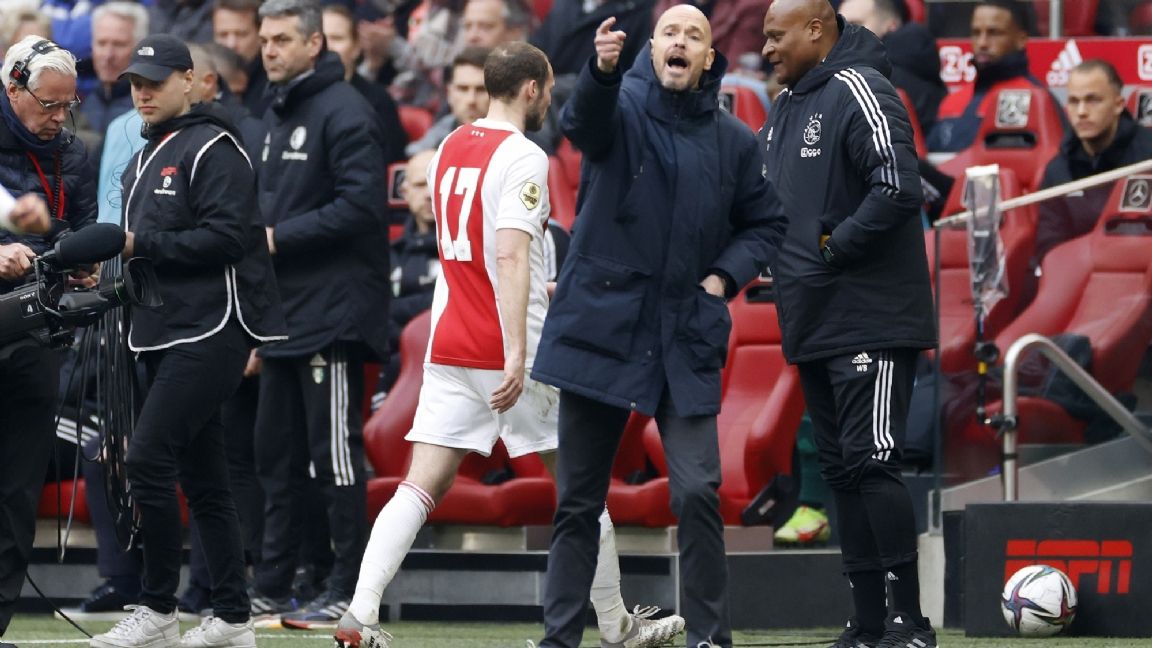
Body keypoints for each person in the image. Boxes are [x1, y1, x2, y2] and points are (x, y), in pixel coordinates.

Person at [335, 41, 684, 648]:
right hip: (507, 346)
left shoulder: (447, 145)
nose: (550, 99)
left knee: (419, 484)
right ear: (531, 88)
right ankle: (616, 625)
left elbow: (469, 248)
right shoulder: (525, 154)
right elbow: (509, 253)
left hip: (449, 339)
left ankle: (359, 615)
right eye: (548, 88)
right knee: (581, 488)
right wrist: (519, 351)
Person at [531, 6, 786, 647]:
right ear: (651, 50)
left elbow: (767, 223)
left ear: (708, 58)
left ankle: (710, 638)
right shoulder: (618, 107)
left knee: (698, 492)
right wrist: (600, 70)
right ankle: (559, 640)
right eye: (669, 33)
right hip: (602, 325)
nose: (680, 42)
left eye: (694, 36)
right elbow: (581, 124)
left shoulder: (735, 141)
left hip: (684, 331)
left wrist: (722, 277)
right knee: (578, 500)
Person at [83, 33, 285, 648]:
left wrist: (136, 246)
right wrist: (107, 274)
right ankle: (232, 617)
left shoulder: (215, 147)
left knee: (147, 459)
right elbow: (143, 250)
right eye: (136, 85)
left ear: (190, 80)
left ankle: (158, 609)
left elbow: (229, 238)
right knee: (204, 477)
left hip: (213, 327)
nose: (143, 93)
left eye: (156, 82)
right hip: (162, 328)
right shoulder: (146, 154)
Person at [758, 1, 937, 647]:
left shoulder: (861, 87)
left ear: (815, 29)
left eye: (775, 36)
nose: (766, 49)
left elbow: (898, 186)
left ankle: (908, 623)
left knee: (873, 462)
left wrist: (832, 251)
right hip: (813, 320)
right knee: (841, 471)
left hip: (870, 316)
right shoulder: (783, 109)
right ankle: (866, 624)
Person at [251, 0, 391, 626]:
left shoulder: (346, 110)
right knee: (275, 456)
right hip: (282, 313)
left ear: (314, 44)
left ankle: (350, 586)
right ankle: (275, 582)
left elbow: (362, 207)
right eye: (264, 39)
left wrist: (278, 238)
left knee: (333, 456)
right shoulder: (277, 110)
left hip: (333, 314)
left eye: (282, 39)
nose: (269, 49)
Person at [0, 35, 97, 647]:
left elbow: (82, 229)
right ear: (13, 89)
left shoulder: (73, 153)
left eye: (68, 105)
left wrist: (78, 262)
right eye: (48, 104)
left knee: (17, 490)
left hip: (37, 327)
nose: (59, 117)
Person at [1033, 59, 1152, 267]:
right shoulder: (1058, 169)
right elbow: (1050, 246)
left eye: (1093, 100)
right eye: (1074, 101)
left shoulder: (1148, 158)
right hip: (1082, 276)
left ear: (1118, 105)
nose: (1081, 112)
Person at [927, 0, 1060, 152]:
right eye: (976, 33)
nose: (982, 43)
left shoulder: (1034, 99)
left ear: (1021, 40)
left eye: (994, 33)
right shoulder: (951, 101)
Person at [838, 0, 945, 135]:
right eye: (839, 26)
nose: (843, 34)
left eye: (855, 24)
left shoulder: (877, 78)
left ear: (891, 25)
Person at [322, 4, 407, 165]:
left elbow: (391, 160)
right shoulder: (297, 95)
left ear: (356, 47)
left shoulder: (378, 101)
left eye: (337, 38)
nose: (327, 47)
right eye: (321, 39)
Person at [404, 46, 490, 157]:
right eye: (463, 89)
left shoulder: (510, 138)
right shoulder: (447, 126)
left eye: (481, 90)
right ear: (449, 93)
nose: (471, 100)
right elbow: (415, 152)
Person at [83, 3, 147, 151]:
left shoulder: (148, 108)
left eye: (119, 45)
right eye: (101, 43)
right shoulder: (81, 103)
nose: (108, 55)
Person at [212, 0, 269, 116]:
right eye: (223, 35)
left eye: (241, 34)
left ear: (261, 35)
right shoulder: (206, 76)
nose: (231, 44)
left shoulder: (274, 82)